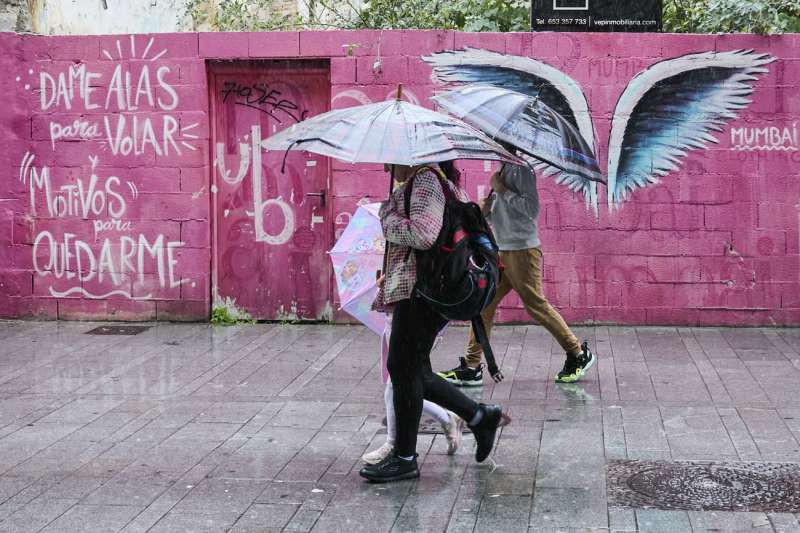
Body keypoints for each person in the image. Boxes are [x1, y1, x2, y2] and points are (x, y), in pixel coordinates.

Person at [359, 161, 509, 483]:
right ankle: (478, 416)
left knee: (402, 368)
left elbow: (424, 235)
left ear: (407, 156)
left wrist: (387, 216)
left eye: (389, 159)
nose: (386, 167)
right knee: (413, 370)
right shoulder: (432, 182)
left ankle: (405, 457)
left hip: (422, 293)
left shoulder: (425, 180)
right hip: (423, 290)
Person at [437, 157, 595, 386]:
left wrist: (503, 190)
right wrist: (487, 211)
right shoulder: (504, 167)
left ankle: (578, 353)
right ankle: (472, 367)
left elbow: (531, 209)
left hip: (522, 250)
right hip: (502, 249)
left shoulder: (522, 169)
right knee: (483, 306)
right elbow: (505, 214)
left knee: (536, 306)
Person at [361, 314, 462, 465]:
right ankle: (447, 418)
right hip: (395, 321)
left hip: (414, 323)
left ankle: (393, 443)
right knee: (399, 385)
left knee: (397, 384)